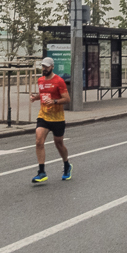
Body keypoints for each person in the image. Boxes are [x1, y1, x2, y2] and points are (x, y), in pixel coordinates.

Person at [32, 56, 72, 184]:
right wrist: (35, 97)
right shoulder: (40, 80)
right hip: (44, 115)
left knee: (58, 143)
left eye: (47, 67)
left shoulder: (59, 81)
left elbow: (67, 99)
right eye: (43, 66)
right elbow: (44, 95)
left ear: (52, 67)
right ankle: (42, 172)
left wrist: (54, 101)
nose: (44, 69)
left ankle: (66, 165)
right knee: (39, 140)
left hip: (57, 118)